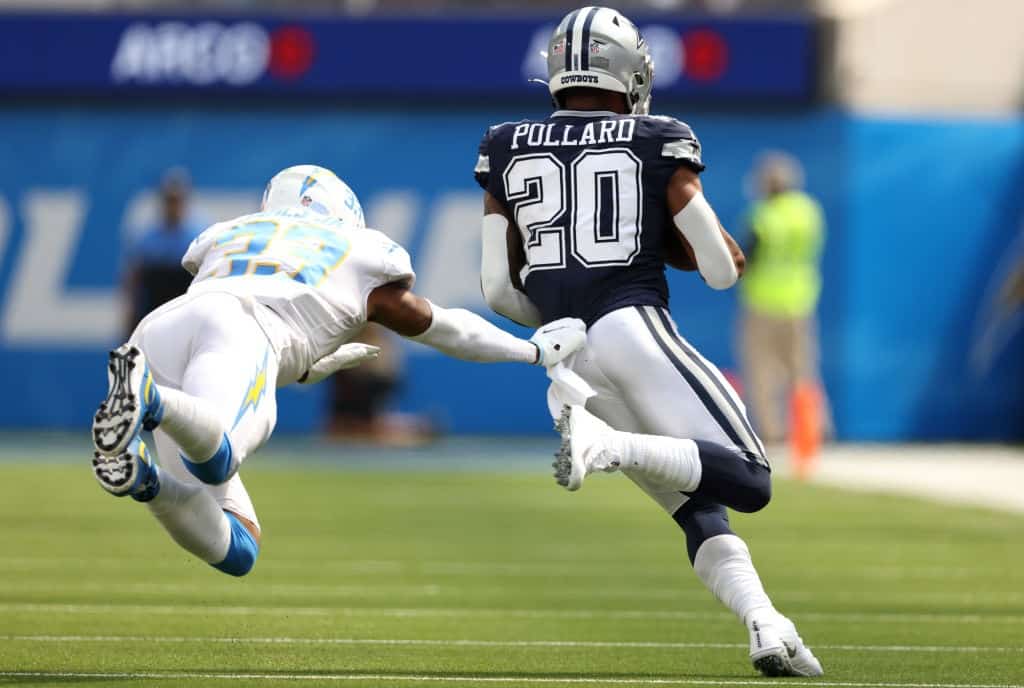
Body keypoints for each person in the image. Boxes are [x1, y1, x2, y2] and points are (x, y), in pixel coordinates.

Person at [474, 7, 822, 678]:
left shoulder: (505, 143)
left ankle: (765, 623)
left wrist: (558, 324)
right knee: (749, 476)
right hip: (632, 325)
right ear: (627, 69)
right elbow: (721, 270)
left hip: (568, 354)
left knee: (699, 506)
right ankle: (605, 447)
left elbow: (498, 292)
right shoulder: (658, 137)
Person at [91, 164, 585, 579]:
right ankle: (150, 400)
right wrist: (530, 351)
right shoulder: (358, 249)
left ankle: (143, 478)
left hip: (162, 330)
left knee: (239, 547)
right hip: (239, 330)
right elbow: (448, 328)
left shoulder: (230, 231)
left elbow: (251, 323)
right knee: (215, 460)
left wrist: (307, 368)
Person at [738, 152, 827, 448]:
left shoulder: (763, 216)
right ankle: (812, 430)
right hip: (801, 301)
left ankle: (773, 434)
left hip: (764, 302)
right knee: (803, 370)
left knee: (763, 372)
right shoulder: (809, 211)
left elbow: (747, 257)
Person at [122, 168, 206, 336]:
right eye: (169, 200)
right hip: (152, 314)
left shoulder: (199, 236)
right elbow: (134, 279)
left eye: (177, 200)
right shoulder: (148, 238)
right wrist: (129, 317)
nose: (173, 206)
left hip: (184, 315)